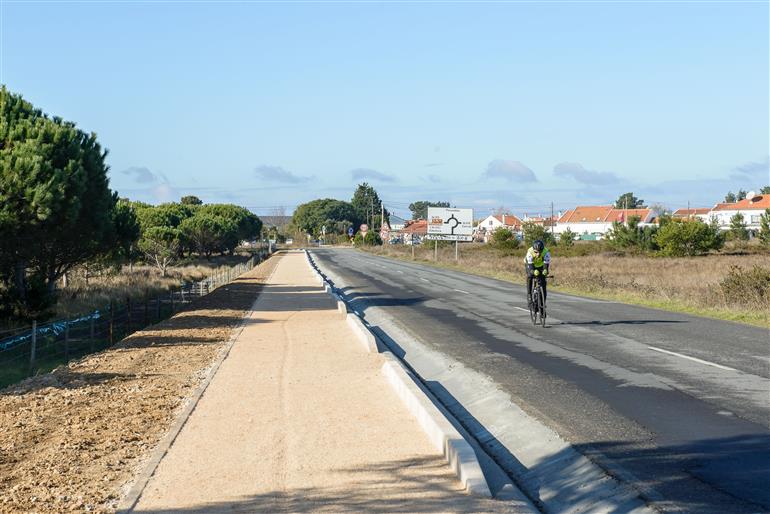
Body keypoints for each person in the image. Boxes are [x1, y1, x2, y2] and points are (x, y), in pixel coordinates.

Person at [524, 239, 551, 306]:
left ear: (542, 250)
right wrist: (533, 271)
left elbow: (546, 266)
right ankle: (529, 296)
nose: (538, 254)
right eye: (536, 252)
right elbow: (531, 268)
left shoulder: (546, 252)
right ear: (533, 250)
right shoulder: (530, 252)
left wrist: (545, 271)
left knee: (543, 283)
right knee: (530, 276)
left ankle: (542, 304)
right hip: (530, 264)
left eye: (540, 252)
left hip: (540, 265)